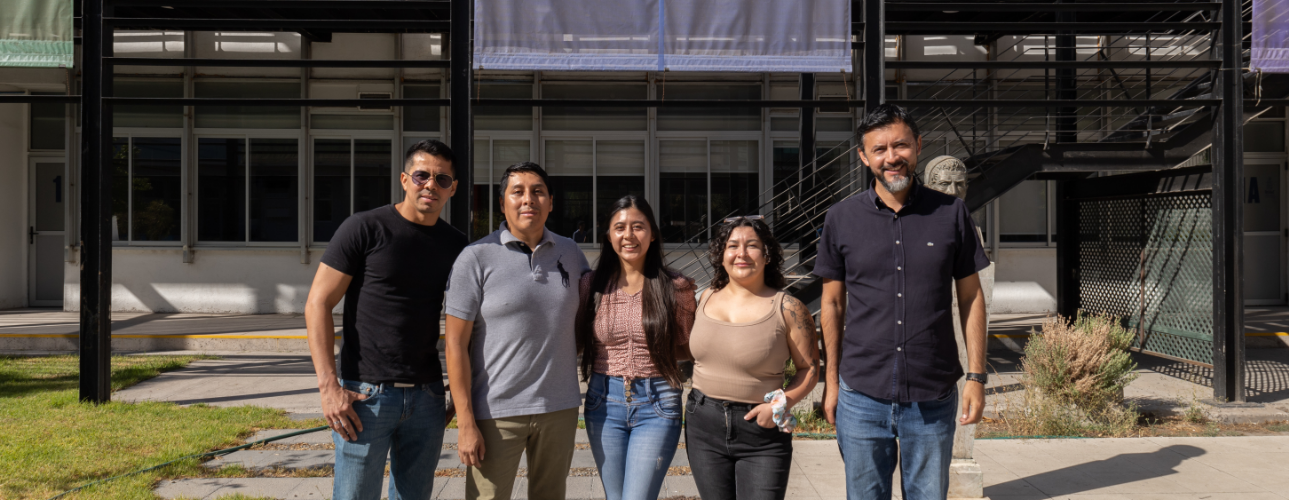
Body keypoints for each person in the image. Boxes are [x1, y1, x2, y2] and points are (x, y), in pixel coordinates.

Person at [814, 104, 990, 500]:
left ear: (918, 147)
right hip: (861, 396)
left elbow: (971, 296)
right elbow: (832, 306)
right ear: (863, 157)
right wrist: (831, 383)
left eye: (900, 146)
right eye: (879, 149)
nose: (891, 157)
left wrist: (977, 378)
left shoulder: (952, 213)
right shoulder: (840, 219)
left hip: (932, 395)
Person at [304, 139, 467, 500]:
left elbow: (467, 323)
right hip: (364, 395)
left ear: (452, 189)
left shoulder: (457, 246)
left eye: (442, 180)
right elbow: (317, 303)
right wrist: (329, 387)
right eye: (422, 175)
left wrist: (459, 395)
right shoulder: (363, 228)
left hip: (427, 396)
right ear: (405, 179)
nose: (430, 185)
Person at [444, 161, 592, 500]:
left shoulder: (571, 253)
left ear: (551, 202)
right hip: (496, 414)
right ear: (502, 203)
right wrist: (465, 421)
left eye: (538, 192)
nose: (529, 199)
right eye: (518, 192)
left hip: (559, 409)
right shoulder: (476, 257)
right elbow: (455, 344)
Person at [686, 216, 820, 500]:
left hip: (762, 431)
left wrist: (780, 405)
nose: (742, 253)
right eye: (732, 245)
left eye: (752, 246)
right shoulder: (703, 298)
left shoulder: (788, 307)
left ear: (767, 254)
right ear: (721, 255)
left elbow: (809, 368)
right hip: (703, 425)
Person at [576, 195, 697, 500]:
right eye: (619, 227)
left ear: (653, 233)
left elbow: (689, 347)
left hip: (658, 403)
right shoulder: (591, 285)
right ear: (608, 235)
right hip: (603, 403)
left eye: (638, 227)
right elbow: (576, 340)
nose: (628, 235)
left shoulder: (676, 287)